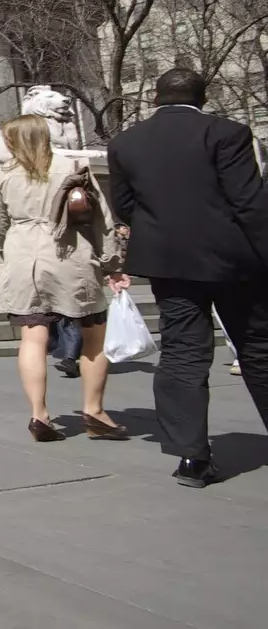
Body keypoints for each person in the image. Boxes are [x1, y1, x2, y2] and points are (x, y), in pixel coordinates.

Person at [108, 68, 268, 487]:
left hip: (168, 262)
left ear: (155, 97)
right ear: (204, 97)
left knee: (182, 352)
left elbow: (124, 205)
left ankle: (192, 457)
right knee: (256, 348)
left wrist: (162, 230)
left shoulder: (126, 142)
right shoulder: (227, 133)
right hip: (234, 261)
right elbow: (249, 202)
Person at [0, 114, 128, 444]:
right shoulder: (73, 169)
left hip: (24, 259)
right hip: (70, 256)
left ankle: (39, 414)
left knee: (33, 339)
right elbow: (101, 221)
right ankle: (94, 411)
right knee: (93, 335)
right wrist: (113, 264)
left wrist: (5, 256)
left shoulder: (3, 175)